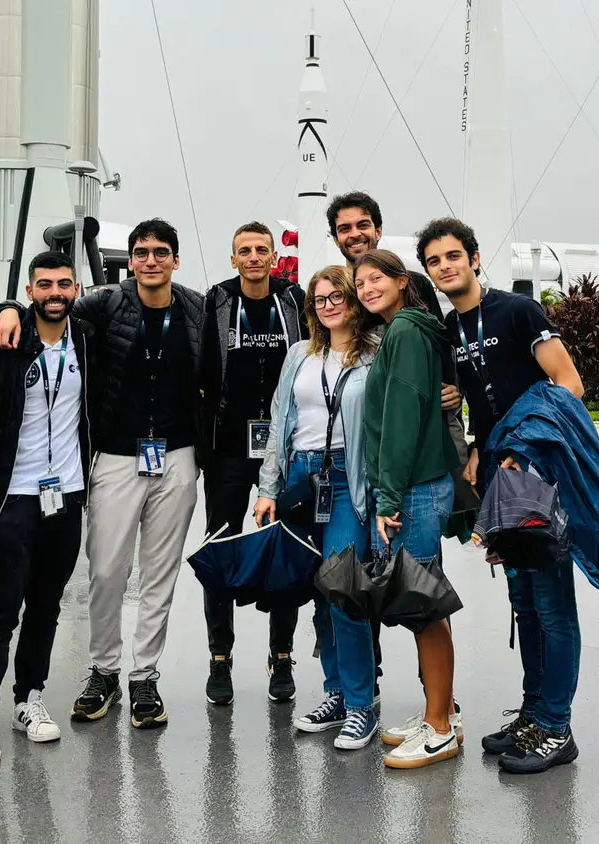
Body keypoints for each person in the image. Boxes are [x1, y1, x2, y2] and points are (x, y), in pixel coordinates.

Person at [0, 219, 205, 730]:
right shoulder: (104, 304)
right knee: (106, 571)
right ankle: (104, 670)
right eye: (141, 252)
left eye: (161, 252)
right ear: (130, 260)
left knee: (160, 574)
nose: (150, 260)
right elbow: (50, 309)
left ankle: (145, 676)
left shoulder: (198, 309)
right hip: (116, 455)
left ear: (176, 260)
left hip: (177, 455)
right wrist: (7, 308)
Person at [416, 217, 587, 775]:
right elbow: (482, 402)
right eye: (434, 261)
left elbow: (569, 384)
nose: (445, 267)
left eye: (453, 256)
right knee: (525, 602)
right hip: (495, 476)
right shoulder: (450, 328)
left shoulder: (518, 311)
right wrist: (474, 445)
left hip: (537, 471)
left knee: (553, 605)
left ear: (473, 258)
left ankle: (557, 728)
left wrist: (526, 446)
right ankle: (534, 714)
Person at [0, 251, 90, 763]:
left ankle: (29, 698)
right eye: (45, 284)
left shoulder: (87, 340)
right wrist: (7, 308)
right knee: (2, 606)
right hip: (14, 494)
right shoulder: (8, 341)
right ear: (31, 290)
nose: (55, 293)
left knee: (47, 605)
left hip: (68, 494)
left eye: (64, 284)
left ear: (75, 289)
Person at [253, 265, 382, 749]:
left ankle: (362, 704)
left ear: (353, 300)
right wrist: (268, 487)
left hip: (348, 479)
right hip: (301, 479)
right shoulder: (299, 354)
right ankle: (337, 694)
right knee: (319, 592)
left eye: (337, 297)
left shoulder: (375, 354)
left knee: (343, 588)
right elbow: (278, 421)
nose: (328, 306)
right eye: (319, 299)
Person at [353, 249, 461, 770]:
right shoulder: (407, 329)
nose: (367, 288)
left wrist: (388, 497)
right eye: (360, 283)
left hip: (414, 488)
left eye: (376, 278)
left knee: (424, 608)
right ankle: (439, 712)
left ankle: (440, 728)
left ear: (401, 281)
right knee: (424, 604)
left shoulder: (404, 331)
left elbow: (401, 418)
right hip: (415, 484)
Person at [199, 221, 307, 705]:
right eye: (245, 250)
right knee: (221, 547)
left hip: (284, 446)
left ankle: (281, 655)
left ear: (273, 257)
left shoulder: (293, 300)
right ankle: (219, 656)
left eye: (262, 249)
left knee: (284, 547)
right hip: (228, 448)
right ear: (234, 258)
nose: (254, 257)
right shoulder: (218, 300)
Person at [326, 191, 445, 322]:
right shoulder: (329, 295)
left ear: (378, 231)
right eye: (345, 229)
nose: (355, 234)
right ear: (336, 240)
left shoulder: (416, 284)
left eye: (363, 225)